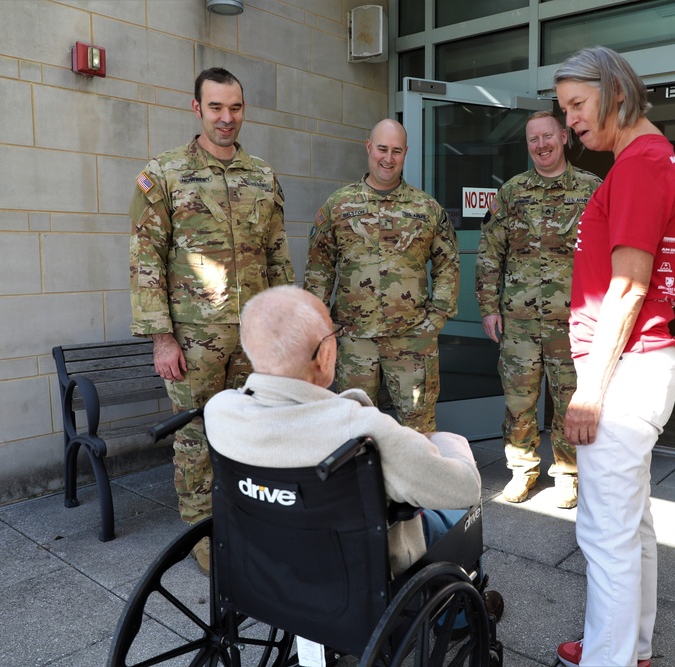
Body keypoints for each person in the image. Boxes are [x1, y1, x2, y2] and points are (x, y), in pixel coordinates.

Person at [552, 47, 675, 667]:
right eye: (564, 109)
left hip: (624, 369)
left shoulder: (638, 164)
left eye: (577, 105)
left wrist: (588, 390)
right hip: (641, 366)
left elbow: (629, 287)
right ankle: (628, 647)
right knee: (630, 528)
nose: (570, 122)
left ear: (615, 91)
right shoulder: (651, 160)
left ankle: (610, 658)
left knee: (606, 535)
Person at [129, 67, 294, 573]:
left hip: (254, 338)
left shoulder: (262, 175)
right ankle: (202, 535)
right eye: (217, 107)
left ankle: (250, 519)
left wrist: (287, 326)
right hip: (193, 339)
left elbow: (278, 255)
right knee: (197, 437)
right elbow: (145, 258)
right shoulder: (165, 173)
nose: (227, 118)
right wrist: (162, 338)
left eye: (236, 107)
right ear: (196, 107)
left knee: (254, 430)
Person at [203, 286, 481, 579]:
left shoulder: (219, 411)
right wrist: (449, 440)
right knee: (460, 519)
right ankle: (462, 617)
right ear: (323, 354)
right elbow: (464, 488)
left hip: (270, 563)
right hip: (364, 572)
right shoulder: (360, 430)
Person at [475, 111, 602, 509]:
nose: (541, 145)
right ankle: (522, 471)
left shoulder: (592, 190)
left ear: (563, 137)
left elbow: (608, 255)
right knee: (519, 401)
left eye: (548, 136)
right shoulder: (511, 193)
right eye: (533, 140)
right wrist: (488, 307)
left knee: (570, 400)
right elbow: (490, 252)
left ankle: (567, 474)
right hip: (519, 322)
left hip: (573, 321)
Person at [303, 119, 459, 433]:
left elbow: (448, 266)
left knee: (418, 428)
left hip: (413, 340)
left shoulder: (426, 208)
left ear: (406, 154)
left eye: (397, 151)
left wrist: (435, 320)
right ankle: (363, 483)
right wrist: (321, 329)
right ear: (369, 148)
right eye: (383, 149)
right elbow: (319, 269)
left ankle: (412, 484)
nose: (388, 158)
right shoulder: (339, 205)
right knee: (354, 426)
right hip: (353, 340)